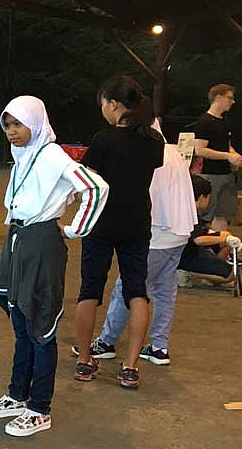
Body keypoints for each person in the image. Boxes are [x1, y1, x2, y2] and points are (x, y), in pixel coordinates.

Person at [0, 96, 108, 437]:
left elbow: (96, 187)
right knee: (21, 321)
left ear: (36, 123)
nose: (12, 132)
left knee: (39, 325)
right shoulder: (23, 155)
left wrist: (75, 229)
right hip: (19, 237)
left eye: (19, 124)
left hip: (41, 241)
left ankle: (39, 408)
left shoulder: (51, 154)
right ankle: (17, 395)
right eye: (7, 125)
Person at [74, 76, 165, 390]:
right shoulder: (154, 140)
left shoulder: (104, 139)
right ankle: (130, 367)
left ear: (113, 103)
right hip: (137, 222)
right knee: (137, 292)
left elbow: (89, 182)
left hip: (101, 222)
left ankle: (84, 361)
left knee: (90, 290)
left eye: (102, 103)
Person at [82, 121, 197, 367]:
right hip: (180, 230)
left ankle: (106, 342)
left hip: (157, 232)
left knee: (130, 289)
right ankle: (159, 346)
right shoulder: (171, 151)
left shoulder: (146, 151)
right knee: (164, 291)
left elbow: (143, 194)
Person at [193, 83, 242, 231]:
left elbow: (226, 145)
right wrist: (227, 156)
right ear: (218, 97)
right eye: (229, 98)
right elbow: (200, 150)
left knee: (223, 214)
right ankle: (201, 241)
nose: (232, 102)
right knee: (204, 215)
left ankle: (220, 243)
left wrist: (235, 155)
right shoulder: (204, 121)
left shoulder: (224, 121)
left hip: (226, 174)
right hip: (209, 174)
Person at [178, 175, 241, 286]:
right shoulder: (189, 213)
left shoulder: (185, 208)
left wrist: (223, 236)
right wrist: (225, 239)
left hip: (187, 249)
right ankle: (184, 271)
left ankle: (210, 270)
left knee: (225, 236)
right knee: (232, 275)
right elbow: (198, 240)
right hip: (185, 255)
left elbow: (198, 232)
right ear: (202, 197)